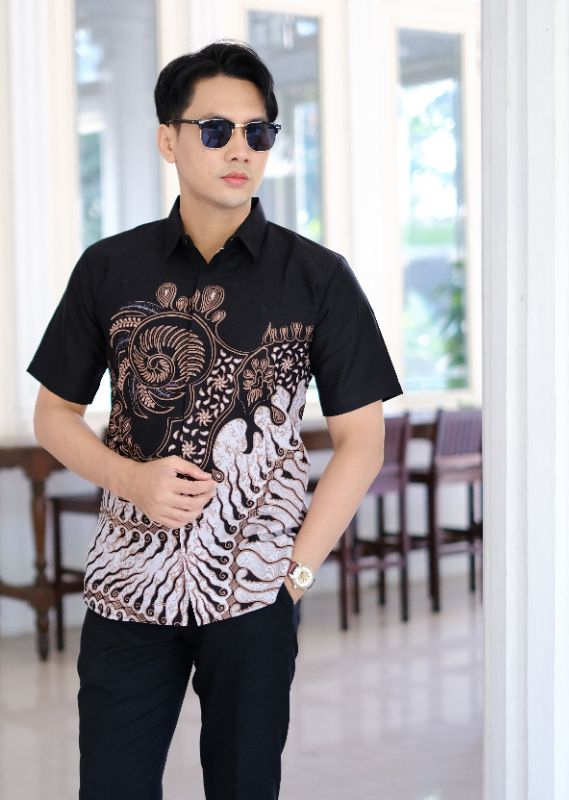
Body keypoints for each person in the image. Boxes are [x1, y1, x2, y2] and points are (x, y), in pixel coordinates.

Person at [27, 39, 403, 800]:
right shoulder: (109, 267)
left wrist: (293, 575)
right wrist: (130, 479)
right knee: (113, 786)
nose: (241, 149)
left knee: (243, 786)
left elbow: (363, 441)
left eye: (258, 132)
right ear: (168, 140)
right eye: (216, 129)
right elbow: (53, 415)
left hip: (256, 590)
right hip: (128, 584)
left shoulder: (318, 277)